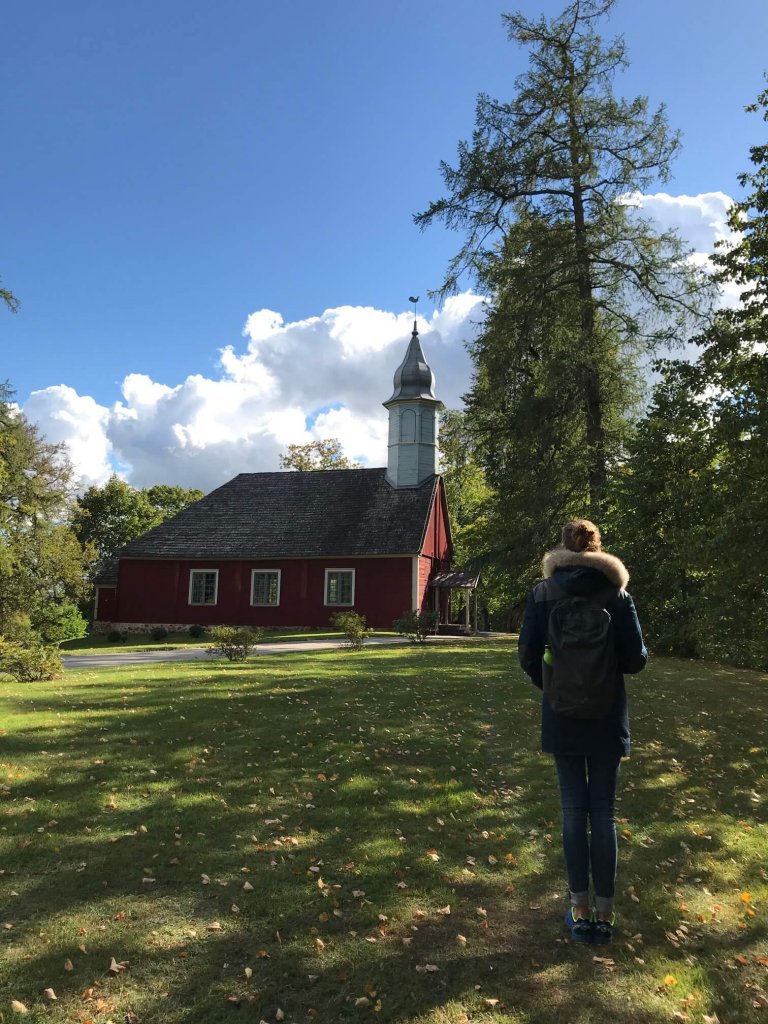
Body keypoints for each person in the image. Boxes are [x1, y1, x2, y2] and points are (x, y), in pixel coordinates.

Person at [518, 519, 647, 945]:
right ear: (597, 548)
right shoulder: (618, 594)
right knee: (603, 812)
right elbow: (635, 661)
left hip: (561, 715)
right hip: (608, 715)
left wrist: (556, 686)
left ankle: (578, 907)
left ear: (563, 549)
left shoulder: (543, 593)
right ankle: (605, 914)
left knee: (574, 810)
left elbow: (528, 657)